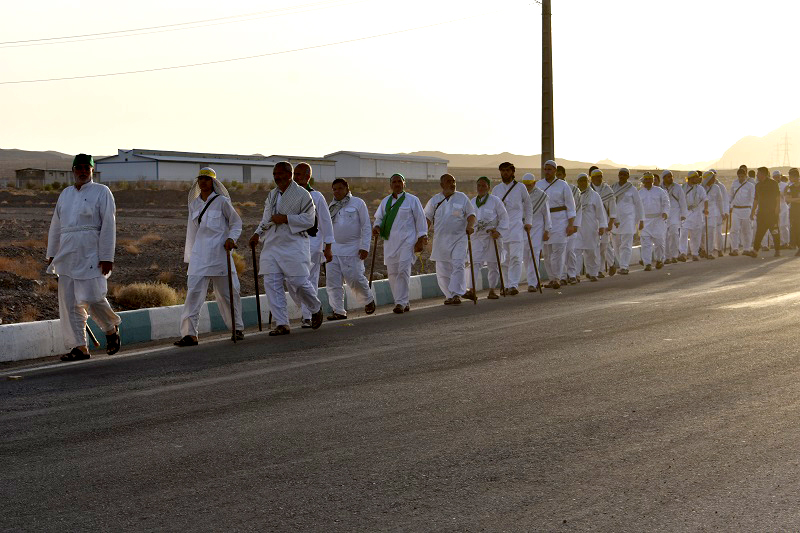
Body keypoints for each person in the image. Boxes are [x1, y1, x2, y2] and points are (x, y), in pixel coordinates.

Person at [46, 153, 121, 361]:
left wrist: (107, 256)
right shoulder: (65, 194)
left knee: (93, 296)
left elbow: (109, 225)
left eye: (86, 168)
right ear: (73, 170)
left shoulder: (102, 192)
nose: (82, 171)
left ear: (92, 170)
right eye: (78, 168)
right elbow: (56, 225)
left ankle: (110, 328)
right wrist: (52, 253)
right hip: (67, 254)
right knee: (70, 302)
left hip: (91, 253)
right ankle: (79, 346)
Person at [249, 161, 323, 335]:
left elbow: (309, 220)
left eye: (280, 173)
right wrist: (257, 234)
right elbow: (266, 218)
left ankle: (315, 307)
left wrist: (286, 218)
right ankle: (282, 323)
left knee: (298, 282)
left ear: (289, 175)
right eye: (274, 174)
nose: (276, 177)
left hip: (294, 244)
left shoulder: (303, 195)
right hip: (272, 244)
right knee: (272, 283)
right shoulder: (272, 194)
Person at [173, 168, 243, 347]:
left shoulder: (222, 201)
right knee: (193, 295)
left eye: (207, 179)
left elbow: (236, 223)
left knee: (227, 294)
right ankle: (189, 334)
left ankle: (237, 328)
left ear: (213, 182)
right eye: (201, 179)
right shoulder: (194, 204)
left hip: (220, 254)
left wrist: (231, 238)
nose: (203, 182)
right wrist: (190, 256)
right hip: (200, 256)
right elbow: (192, 232)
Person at [372, 173, 428, 313]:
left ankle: (400, 303)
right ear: (390, 185)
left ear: (404, 183)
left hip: (407, 242)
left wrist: (421, 238)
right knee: (393, 273)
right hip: (390, 243)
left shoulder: (412, 200)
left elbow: (420, 220)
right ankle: (403, 301)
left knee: (403, 270)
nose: (397, 184)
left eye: (399, 181)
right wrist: (376, 227)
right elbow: (379, 218)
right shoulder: (385, 201)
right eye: (394, 182)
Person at [290, 163, 334, 328]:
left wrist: (328, 247)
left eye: (299, 174)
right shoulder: (288, 196)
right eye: (295, 174)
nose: (296, 177)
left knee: (308, 280)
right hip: (293, 244)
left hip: (312, 244)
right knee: (292, 280)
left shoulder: (316, 196)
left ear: (308, 177)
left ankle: (308, 316)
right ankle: (313, 308)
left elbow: (326, 223)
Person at [325, 178, 376, 319]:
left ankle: (368, 299)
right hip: (334, 249)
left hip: (353, 248)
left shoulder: (358, 203)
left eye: (340, 188)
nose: (337, 191)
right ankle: (338, 311)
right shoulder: (331, 206)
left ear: (347, 189)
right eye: (334, 189)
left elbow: (366, 226)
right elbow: (326, 228)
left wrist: (365, 246)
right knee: (333, 282)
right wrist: (325, 248)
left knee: (355, 278)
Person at [424, 174, 476, 305]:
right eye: (449, 182)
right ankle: (449, 295)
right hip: (440, 240)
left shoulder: (462, 197)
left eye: (454, 181)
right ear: (442, 185)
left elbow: (471, 214)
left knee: (458, 264)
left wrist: (470, 226)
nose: (452, 184)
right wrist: (423, 234)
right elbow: (427, 218)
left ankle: (457, 294)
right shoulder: (434, 200)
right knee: (442, 270)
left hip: (459, 238)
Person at [491, 162, 532, 295]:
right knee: (504, 259)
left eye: (508, 170)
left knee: (516, 257)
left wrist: (528, 222)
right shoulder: (496, 189)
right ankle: (506, 285)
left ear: (513, 172)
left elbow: (528, 205)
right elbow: (492, 209)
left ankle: (513, 285)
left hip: (516, 228)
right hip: (502, 230)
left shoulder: (520, 187)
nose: (505, 173)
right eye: (503, 171)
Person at [535, 160, 577, 288]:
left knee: (558, 251)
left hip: (560, 221)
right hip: (544, 222)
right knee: (547, 253)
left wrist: (571, 224)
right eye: (545, 169)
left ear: (555, 170)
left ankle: (558, 278)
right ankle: (552, 278)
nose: (547, 171)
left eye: (550, 169)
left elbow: (571, 206)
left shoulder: (563, 185)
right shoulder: (539, 185)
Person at [467, 177, 510, 300]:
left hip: (492, 237)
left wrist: (499, 231)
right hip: (477, 237)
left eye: (483, 186)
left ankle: (492, 290)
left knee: (493, 264)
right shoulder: (472, 202)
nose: (480, 188)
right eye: (479, 185)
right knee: (474, 262)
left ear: (488, 187)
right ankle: (472, 290)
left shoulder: (495, 201)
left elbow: (504, 218)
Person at [610, 168, 644, 274]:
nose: (622, 176)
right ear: (618, 175)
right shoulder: (612, 188)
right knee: (616, 245)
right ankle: (621, 264)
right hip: (615, 220)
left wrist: (641, 220)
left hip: (628, 220)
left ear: (628, 176)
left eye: (624, 174)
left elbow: (639, 205)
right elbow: (608, 204)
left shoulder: (632, 189)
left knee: (626, 244)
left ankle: (624, 266)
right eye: (620, 174)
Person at [575, 173, 607, 281]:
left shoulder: (594, 195)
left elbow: (600, 212)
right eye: (581, 180)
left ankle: (592, 273)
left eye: (585, 180)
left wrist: (602, 226)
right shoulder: (574, 195)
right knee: (576, 251)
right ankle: (576, 274)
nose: (583, 183)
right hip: (577, 227)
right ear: (577, 182)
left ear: (588, 181)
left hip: (591, 228)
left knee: (591, 252)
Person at [522, 172, 551, 291]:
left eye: (529, 184)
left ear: (534, 183)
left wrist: (547, 230)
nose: (527, 186)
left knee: (534, 255)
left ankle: (532, 283)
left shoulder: (541, 196)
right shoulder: (520, 194)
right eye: (525, 184)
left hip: (538, 229)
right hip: (523, 229)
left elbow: (547, 215)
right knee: (526, 256)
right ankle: (536, 279)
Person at [638, 172, 670, 270]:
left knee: (659, 243)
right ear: (643, 180)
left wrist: (665, 212)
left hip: (658, 220)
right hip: (645, 221)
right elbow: (636, 207)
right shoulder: (639, 193)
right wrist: (638, 221)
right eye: (646, 179)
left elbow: (666, 203)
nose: (648, 181)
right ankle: (647, 264)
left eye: (650, 179)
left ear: (653, 180)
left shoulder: (660, 191)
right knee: (646, 244)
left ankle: (659, 260)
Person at [750, 166, 782, 258]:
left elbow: (778, 197)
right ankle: (755, 251)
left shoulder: (773, 183)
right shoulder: (758, 185)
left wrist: (777, 208)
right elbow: (756, 200)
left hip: (772, 213)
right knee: (759, 232)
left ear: (763, 174)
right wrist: (752, 211)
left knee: (775, 232)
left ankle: (777, 250)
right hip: (761, 213)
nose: (757, 175)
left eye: (758, 173)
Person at [558, 165, 583, 285]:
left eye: (559, 174)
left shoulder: (573, 189)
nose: (557, 177)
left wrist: (575, 225)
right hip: (557, 225)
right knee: (559, 252)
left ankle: (572, 274)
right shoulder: (549, 189)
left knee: (570, 251)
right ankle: (562, 276)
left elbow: (578, 208)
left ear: (564, 175)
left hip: (571, 224)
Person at [590, 168, 617, 276]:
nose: (599, 178)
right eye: (596, 176)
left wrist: (611, 223)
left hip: (604, 222)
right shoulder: (588, 190)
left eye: (600, 176)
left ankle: (602, 268)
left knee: (603, 246)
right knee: (594, 247)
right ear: (592, 178)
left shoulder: (607, 190)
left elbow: (612, 208)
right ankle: (597, 270)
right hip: (591, 222)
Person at [728, 165, 756, 256]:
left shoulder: (750, 186)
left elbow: (752, 199)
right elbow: (731, 196)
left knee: (746, 230)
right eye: (739, 176)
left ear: (745, 175)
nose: (740, 178)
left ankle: (746, 248)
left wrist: (752, 211)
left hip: (746, 209)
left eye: (742, 176)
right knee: (734, 230)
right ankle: (735, 249)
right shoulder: (734, 184)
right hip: (736, 209)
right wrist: (729, 206)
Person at [660, 170, 687, 263]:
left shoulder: (678, 187)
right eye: (668, 177)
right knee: (664, 236)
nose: (670, 178)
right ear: (664, 178)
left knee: (674, 234)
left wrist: (683, 214)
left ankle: (674, 255)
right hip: (663, 214)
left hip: (675, 213)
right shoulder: (659, 188)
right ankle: (667, 257)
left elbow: (682, 201)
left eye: (671, 176)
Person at [681, 171, 709, 261]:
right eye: (696, 177)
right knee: (683, 233)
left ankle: (695, 253)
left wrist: (706, 209)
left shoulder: (700, 188)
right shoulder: (682, 187)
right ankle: (683, 253)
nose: (698, 179)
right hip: (685, 213)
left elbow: (705, 199)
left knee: (696, 234)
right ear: (691, 178)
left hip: (697, 213)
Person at [701, 171, 725, 259]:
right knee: (702, 233)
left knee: (711, 233)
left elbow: (720, 201)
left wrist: (722, 213)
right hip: (701, 213)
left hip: (713, 214)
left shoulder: (716, 188)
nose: (714, 179)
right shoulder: (700, 188)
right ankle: (702, 249)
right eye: (713, 178)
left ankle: (709, 252)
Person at [784, 168, 800, 255]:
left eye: (790, 176)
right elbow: (787, 199)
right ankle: (795, 245)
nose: (789, 178)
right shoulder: (790, 187)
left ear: (796, 176)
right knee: (794, 228)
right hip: (793, 210)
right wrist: (797, 199)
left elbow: (790, 199)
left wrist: (793, 199)